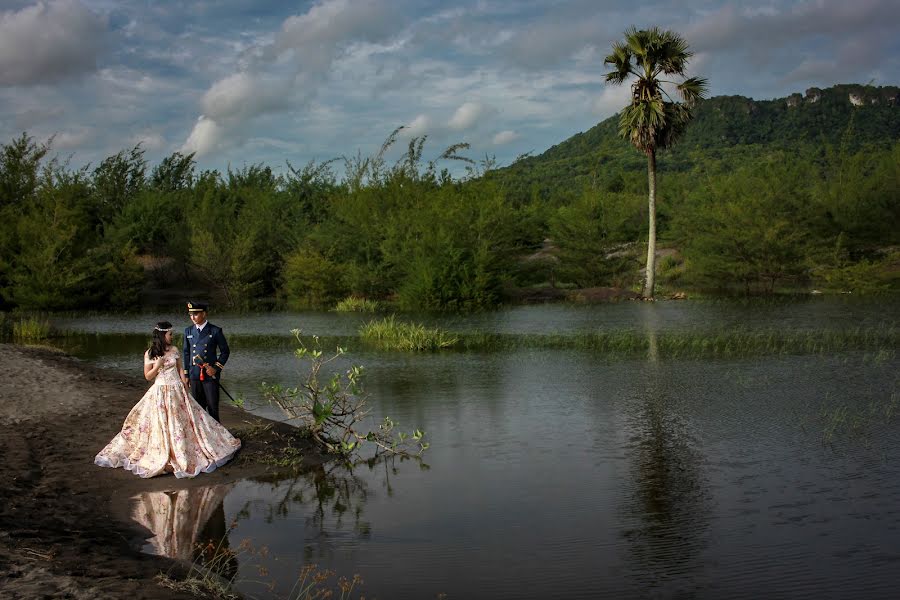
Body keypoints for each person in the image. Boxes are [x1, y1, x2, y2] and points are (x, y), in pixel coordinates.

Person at [94, 321, 241, 478]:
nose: (172, 336)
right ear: (162, 335)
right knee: (163, 422)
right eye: (170, 334)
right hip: (161, 390)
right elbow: (148, 376)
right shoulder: (150, 353)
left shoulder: (174, 350)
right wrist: (158, 365)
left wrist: (185, 387)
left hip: (177, 390)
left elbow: (180, 370)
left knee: (184, 420)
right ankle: (166, 454)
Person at [183, 301, 229, 422]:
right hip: (195, 374)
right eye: (190, 314)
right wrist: (186, 374)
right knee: (198, 408)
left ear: (204, 314)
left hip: (210, 375)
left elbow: (225, 352)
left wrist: (216, 368)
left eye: (196, 314)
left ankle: (218, 438)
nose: (193, 317)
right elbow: (186, 353)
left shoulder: (215, 331)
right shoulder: (188, 331)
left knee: (213, 407)